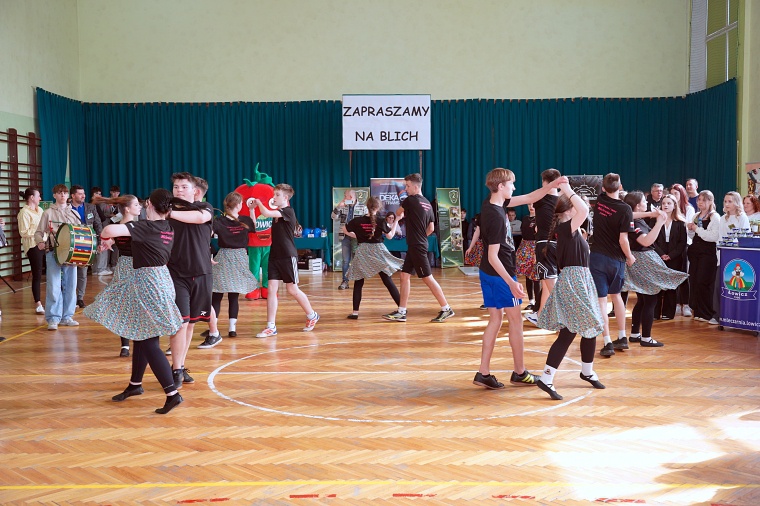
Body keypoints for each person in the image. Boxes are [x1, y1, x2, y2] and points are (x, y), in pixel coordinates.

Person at [87, 189, 184, 414]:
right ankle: (135, 384)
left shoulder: (146, 227)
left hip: (149, 283)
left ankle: (172, 394)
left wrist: (111, 233)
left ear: (149, 204)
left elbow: (108, 230)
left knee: (149, 342)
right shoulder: (167, 227)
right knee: (141, 335)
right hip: (160, 280)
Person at [472, 168, 567, 390]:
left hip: (488, 273)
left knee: (495, 321)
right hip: (500, 274)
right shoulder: (496, 216)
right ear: (501, 186)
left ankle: (483, 373)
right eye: (511, 184)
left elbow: (529, 197)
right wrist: (511, 282)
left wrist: (551, 186)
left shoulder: (493, 203)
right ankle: (520, 372)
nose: (514, 188)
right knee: (515, 322)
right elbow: (493, 256)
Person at [536, 184, 605, 400]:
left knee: (587, 328)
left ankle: (586, 371)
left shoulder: (571, 230)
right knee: (575, 331)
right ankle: (548, 378)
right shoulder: (567, 227)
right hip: (574, 282)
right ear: (570, 208)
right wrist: (566, 188)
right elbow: (583, 210)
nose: (585, 207)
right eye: (580, 204)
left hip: (580, 280)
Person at [382, 173, 454, 323]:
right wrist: (420, 237)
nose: (406, 189)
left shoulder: (411, 200)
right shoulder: (427, 203)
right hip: (417, 244)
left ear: (416, 187)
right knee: (404, 276)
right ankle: (402, 311)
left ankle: (446, 308)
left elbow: (397, 212)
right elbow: (431, 228)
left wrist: (402, 216)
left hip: (417, 246)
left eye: (408, 186)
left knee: (427, 278)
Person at [620, 191, 687, 348]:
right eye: (644, 201)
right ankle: (646, 337)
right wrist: (659, 223)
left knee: (643, 300)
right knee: (650, 300)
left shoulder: (635, 219)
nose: (647, 203)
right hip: (643, 262)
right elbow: (646, 241)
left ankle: (635, 334)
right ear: (638, 205)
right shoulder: (635, 223)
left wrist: (654, 217)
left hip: (642, 262)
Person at [251, 183, 320, 337]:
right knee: (271, 290)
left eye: (277, 195)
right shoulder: (276, 214)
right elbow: (257, 223)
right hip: (274, 255)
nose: (274, 197)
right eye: (274, 194)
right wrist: (251, 209)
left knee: (292, 289)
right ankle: (271, 326)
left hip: (288, 256)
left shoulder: (288, 211)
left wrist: (259, 202)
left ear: (286, 198)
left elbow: (266, 213)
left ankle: (312, 315)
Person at [166, 173, 214, 390]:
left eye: (184, 186)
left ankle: (181, 365)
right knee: (181, 323)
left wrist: (169, 213)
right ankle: (176, 370)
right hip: (176, 274)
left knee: (191, 323)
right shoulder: (167, 210)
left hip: (202, 274)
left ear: (195, 191)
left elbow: (200, 218)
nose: (179, 190)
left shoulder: (205, 208)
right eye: (176, 187)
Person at [89, 194, 143, 357]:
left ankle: (130, 345)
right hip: (132, 267)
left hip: (130, 266)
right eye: (136, 204)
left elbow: (109, 239)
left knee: (131, 306)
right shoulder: (132, 227)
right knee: (129, 306)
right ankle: (127, 345)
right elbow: (109, 239)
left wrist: (107, 242)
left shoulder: (120, 226)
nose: (140, 207)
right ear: (127, 209)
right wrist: (107, 243)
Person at [202, 192, 258, 345]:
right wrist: (252, 210)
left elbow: (206, 236)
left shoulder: (219, 221)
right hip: (240, 257)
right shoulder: (245, 220)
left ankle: (213, 328)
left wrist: (208, 253)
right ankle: (232, 329)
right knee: (234, 295)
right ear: (239, 205)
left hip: (224, 256)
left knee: (217, 294)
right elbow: (253, 228)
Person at [588, 174, 635, 358]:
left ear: (603, 188)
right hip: (616, 260)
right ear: (621, 186)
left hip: (597, 258)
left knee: (601, 300)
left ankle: (607, 341)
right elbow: (623, 240)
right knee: (617, 296)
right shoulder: (626, 209)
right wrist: (629, 256)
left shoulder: (599, 201)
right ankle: (622, 337)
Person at [343, 196, 403, 319]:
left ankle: (355, 313)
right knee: (387, 280)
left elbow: (345, 230)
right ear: (378, 207)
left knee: (358, 282)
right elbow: (390, 236)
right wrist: (397, 220)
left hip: (363, 251)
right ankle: (402, 309)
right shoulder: (381, 221)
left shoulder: (357, 221)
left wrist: (358, 236)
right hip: (378, 251)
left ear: (367, 206)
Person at [34, 184, 81, 330]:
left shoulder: (74, 214)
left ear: (68, 195)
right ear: (54, 195)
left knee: (71, 285)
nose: (63, 195)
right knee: (54, 285)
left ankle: (67, 316)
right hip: (53, 251)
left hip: (71, 253)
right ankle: (53, 318)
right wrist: (40, 242)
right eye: (60, 193)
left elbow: (80, 233)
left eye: (65, 193)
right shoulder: (47, 213)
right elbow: (38, 232)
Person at [707, 192, 750, 325]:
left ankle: (738, 315)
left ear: (736, 203)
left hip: (738, 257)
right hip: (723, 256)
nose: (727, 204)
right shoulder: (722, 218)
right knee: (719, 286)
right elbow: (720, 237)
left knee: (737, 287)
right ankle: (718, 315)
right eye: (725, 201)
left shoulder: (742, 217)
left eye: (730, 201)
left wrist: (734, 245)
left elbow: (745, 236)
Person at [526, 169, 562, 326]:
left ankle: (562, 319)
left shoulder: (540, 198)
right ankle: (540, 315)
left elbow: (529, 199)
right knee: (548, 281)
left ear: (544, 182)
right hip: (559, 244)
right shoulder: (562, 200)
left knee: (551, 285)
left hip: (544, 244)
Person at [686, 190, 720, 323]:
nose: (700, 202)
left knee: (703, 281)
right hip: (695, 252)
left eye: (703, 200)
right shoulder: (696, 215)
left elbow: (712, 236)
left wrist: (696, 229)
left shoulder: (714, 217)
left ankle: (707, 312)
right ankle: (698, 311)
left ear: (710, 201)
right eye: (699, 200)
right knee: (694, 281)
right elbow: (691, 236)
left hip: (707, 253)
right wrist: (690, 229)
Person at [653, 194, 688, 320]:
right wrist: (661, 254)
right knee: (657, 284)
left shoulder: (681, 223)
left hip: (675, 257)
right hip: (658, 256)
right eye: (664, 203)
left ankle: (668, 313)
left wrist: (671, 255)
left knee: (671, 285)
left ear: (674, 206)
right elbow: (652, 240)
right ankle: (655, 313)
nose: (666, 205)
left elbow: (682, 243)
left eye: (669, 203)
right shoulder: (655, 220)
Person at [69, 185, 103, 308]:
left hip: (87, 243)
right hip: (71, 242)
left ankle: (80, 298)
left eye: (83, 193)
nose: (83, 196)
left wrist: (100, 242)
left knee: (83, 272)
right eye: (80, 194)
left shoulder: (91, 207)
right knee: (70, 272)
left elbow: (98, 224)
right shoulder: (67, 208)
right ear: (73, 196)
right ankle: (70, 297)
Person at [17, 187, 45, 314]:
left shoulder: (41, 210)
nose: (40, 198)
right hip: (33, 246)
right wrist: (39, 233)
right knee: (37, 274)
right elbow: (24, 232)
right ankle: (38, 303)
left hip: (45, 244)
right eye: (38, 196)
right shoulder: (24, 213)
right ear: (32, 198)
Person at [332, 189, 358, 290]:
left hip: (357, 238)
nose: (344, 198)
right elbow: (333, 217)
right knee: (345, 261)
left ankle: (358, 282)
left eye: (345, 196)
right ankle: (345, 281)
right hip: (345, 237)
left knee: (357, 261)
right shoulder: (343, 207)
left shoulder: (362, 207)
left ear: (351, 197)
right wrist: (339, 206)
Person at [515, 202, 540, 311]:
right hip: (525, 247)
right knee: (527, 275)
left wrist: (536, 253)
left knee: (536, 276)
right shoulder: (525, 219)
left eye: (533, 204)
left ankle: (538, 303)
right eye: (529, 204)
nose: (531, 207)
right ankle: (531, 301)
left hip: (535, 247)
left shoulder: (539, 219)